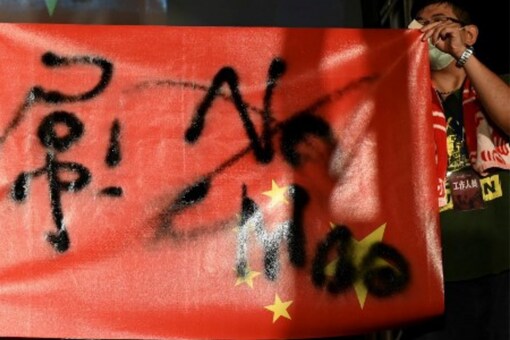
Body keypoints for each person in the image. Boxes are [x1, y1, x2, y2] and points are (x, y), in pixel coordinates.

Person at [402, 0, 510, 339]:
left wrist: (462, 54)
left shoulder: (497, 86)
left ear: (470, 33)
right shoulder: (404, 103)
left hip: (504, 268)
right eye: (418, 24)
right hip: (435, 278)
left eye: (437, 22)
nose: (427, 32)